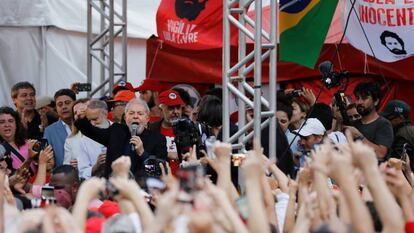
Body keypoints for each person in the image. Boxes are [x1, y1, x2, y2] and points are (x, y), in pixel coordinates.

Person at [75, 98, 167, 179]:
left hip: (141, 192)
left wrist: (143, 153)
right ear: (126, 117)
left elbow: (158, 171)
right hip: (114, 189)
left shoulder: (158, 139)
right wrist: (81, 118)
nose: (135, 116)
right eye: (131, 113)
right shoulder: (116, 131)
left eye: (140, 114)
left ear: (147, 118)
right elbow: (91, 132)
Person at [346, 81, 394, 160]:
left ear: (376, 101)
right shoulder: (354, 124)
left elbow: (381, 154)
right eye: (358, 98)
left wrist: (359, 136)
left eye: (364, 98)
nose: (359, 102)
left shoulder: (383, 124)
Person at [149, 90, 184, 173]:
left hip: (184, 182)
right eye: (171, 108)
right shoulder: (151, 129)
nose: (176, 112)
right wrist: (168, 154)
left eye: (178, 107)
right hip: (159, 181)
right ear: (161, 109)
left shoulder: (188, 129)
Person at [77, 99, 111, 179]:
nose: (92, 123)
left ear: (105, 115)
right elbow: (82, 173)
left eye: (95, 119)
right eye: (89, 120)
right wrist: (96, 166)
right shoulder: (84, 140)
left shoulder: (121, 132)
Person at [44, 89, 76, 167]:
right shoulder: (50, 131)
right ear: (56, 108)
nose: (64, 107)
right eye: (60, 104)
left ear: (75, 103)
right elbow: (49, 160)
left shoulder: (86, 125)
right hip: (63, 176)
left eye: (67, 103)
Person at [0, 107, 34, 172]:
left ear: (16, 125)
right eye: (2, 122)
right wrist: (29, 159)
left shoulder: (28, 143)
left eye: (11, 121)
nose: (7, 125)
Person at [381, 100, 414, 164]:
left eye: (388, 118)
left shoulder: (402, 135)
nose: (385, 122)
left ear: (400, 118)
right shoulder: (409, 130)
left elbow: (396, 165)